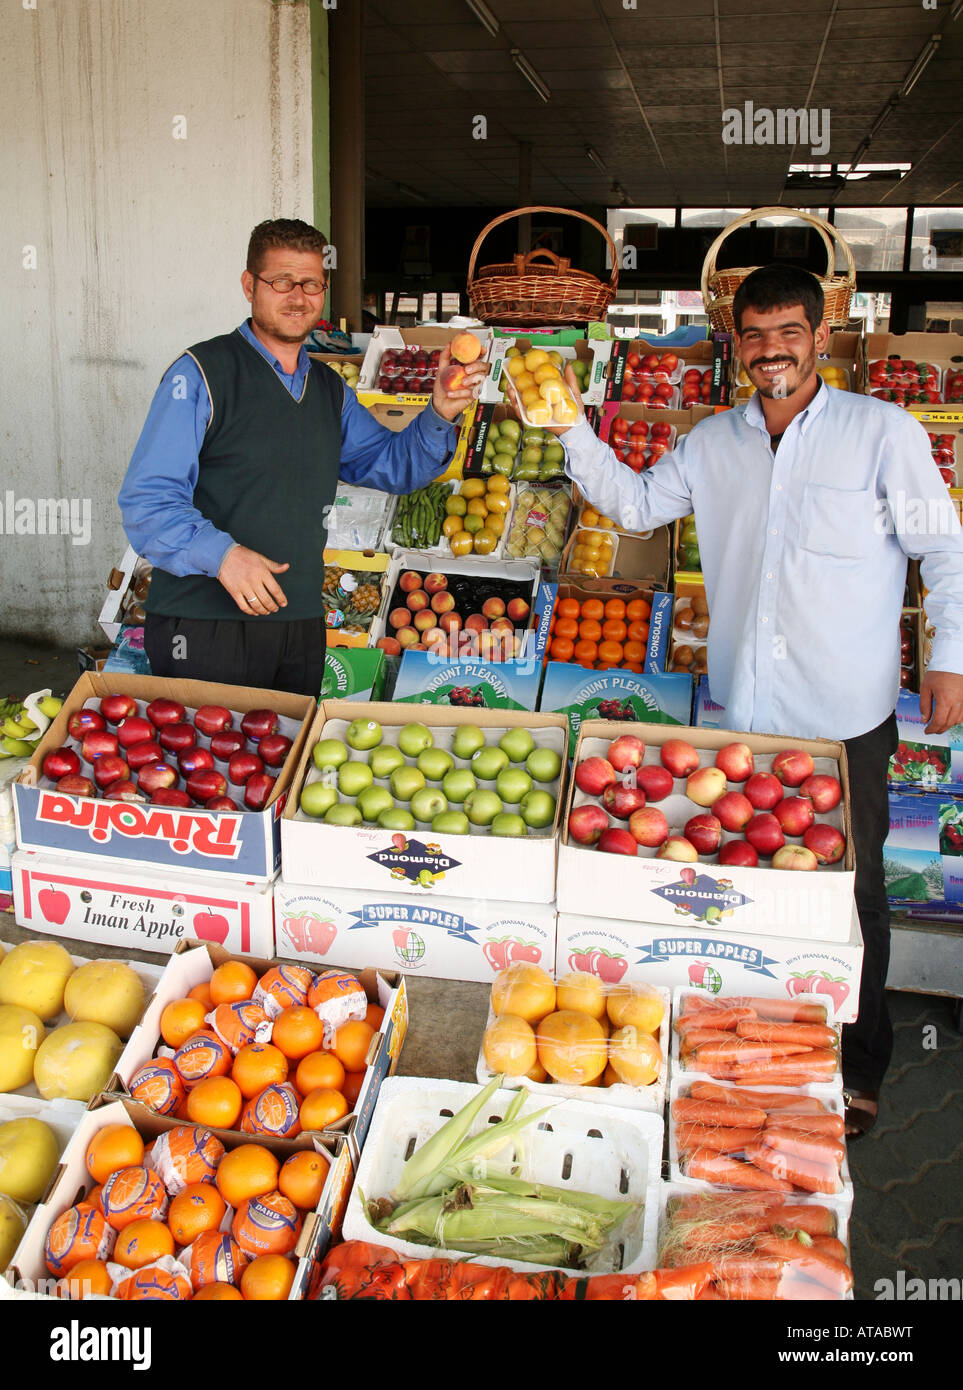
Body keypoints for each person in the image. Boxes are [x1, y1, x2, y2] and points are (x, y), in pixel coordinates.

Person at [550, 264, 963, 1137]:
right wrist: (567, 430)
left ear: (819, 338)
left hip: (844, 718)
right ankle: (755, 1052)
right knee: (748, 886)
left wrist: (949, 658)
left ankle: (858, 1066)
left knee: (852, 896)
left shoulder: (879, 431)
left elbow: (943, 552)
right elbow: (632, 505)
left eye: (788, 333)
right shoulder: (711, 442)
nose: (771, 351)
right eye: (755, 335)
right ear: (734, 343)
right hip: (746, 716)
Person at [119, 218, 485, 696]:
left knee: (287, 764)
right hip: (203, 622)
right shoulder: (201, 374)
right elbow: (147, 504)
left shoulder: (330, 390)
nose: (298, 296)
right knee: (208, 763)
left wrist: (440, 411)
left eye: (311, 283)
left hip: (299, 623)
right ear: (250, 285)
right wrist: (223, 555)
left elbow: (393, 465)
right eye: (281, 281)